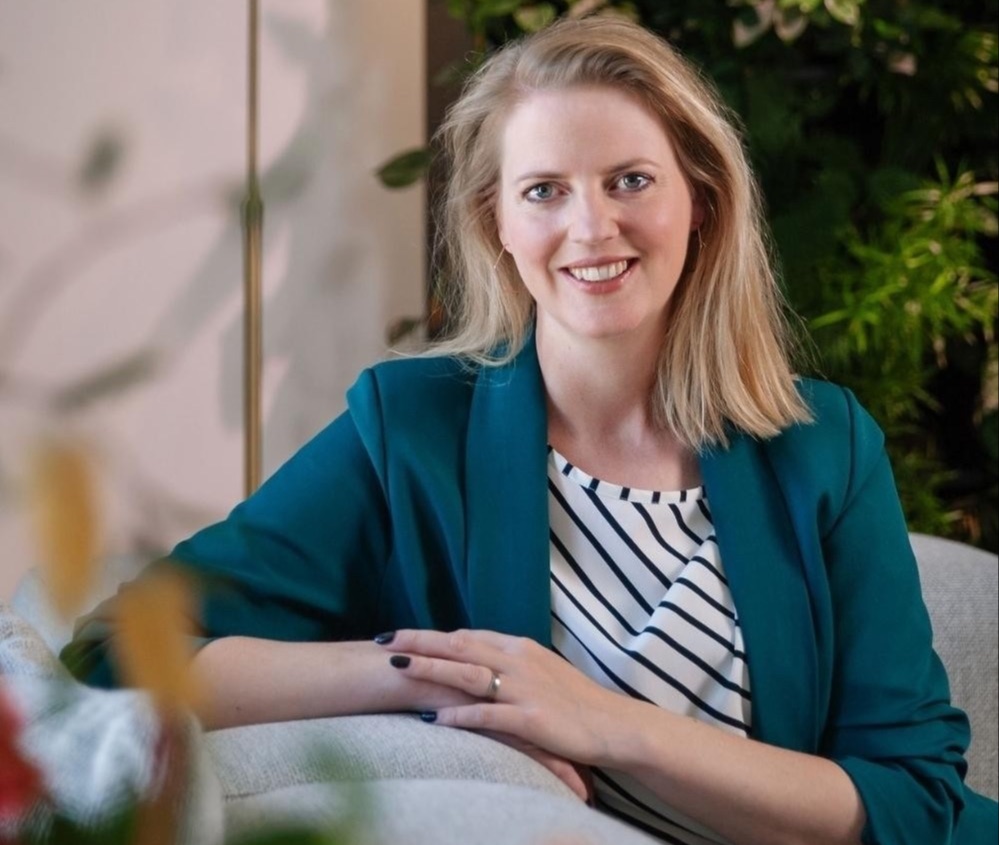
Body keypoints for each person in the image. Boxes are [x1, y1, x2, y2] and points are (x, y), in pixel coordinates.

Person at [65, 16, 994, 845]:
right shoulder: (408, 429)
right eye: (544, 190)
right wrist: (440, 675)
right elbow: (119, 653)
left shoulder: (823, 444)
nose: (591, 226)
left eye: (631, 180)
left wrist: (603, 722)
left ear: (701, 202)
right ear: (495, 223)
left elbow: (911, 800)